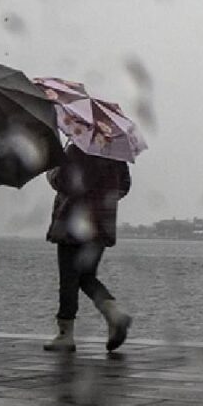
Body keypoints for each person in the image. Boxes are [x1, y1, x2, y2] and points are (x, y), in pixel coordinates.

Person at [44, 144, 133, 353]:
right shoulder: (115, 154)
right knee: (86, 276)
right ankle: (114, 314)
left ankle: (66, 334)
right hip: (101, 225)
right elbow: (124, 186)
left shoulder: (77, 150)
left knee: (69, 278)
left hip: (73, 224)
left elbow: (65, 181)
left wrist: (52, 172)